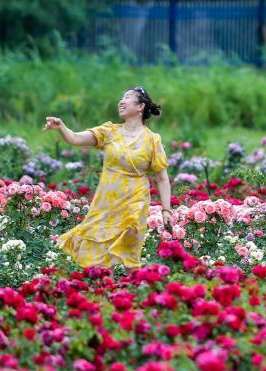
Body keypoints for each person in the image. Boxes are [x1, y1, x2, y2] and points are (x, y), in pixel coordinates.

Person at [43, 86, 173, 272]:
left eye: (127, 97)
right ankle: (105, 290)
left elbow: (161, 178)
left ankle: (136, 289)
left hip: (135, 200)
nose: (121, 101)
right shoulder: (109, 132)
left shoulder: (152, 140)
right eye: (121, 97)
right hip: (106, 203)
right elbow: (75, 138)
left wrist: (166, 210)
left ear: (140, 107)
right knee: (100, 253)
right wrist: (61, 127)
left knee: (130, 244)